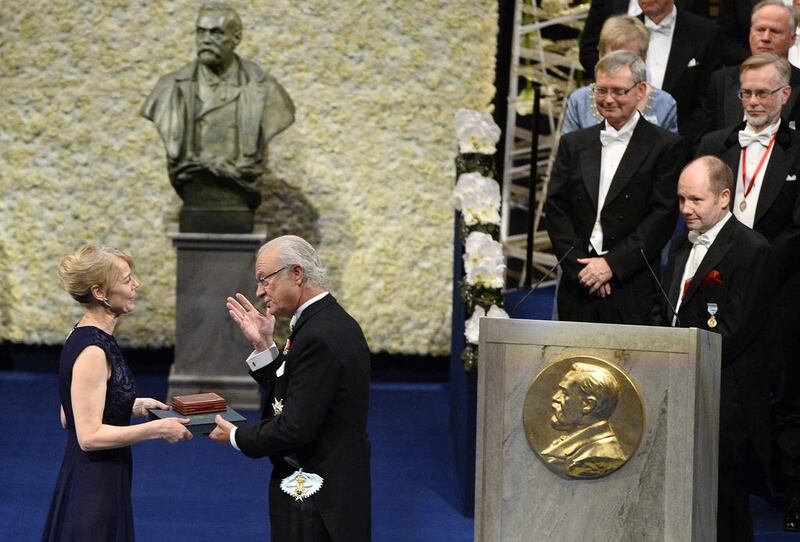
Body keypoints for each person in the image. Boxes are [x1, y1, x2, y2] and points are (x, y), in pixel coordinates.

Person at [209, 235, 371, 542]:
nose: (259, 292)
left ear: (296, 274)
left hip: (317, 498)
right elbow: (297, 394)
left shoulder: (319, 334)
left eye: (264, 280)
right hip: (322, 487)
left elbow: (295, 427)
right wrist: (263, 346)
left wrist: (234, 435)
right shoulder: (322, 321)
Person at [658, 156, 777, 541]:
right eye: (681, 200)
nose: (685, 210)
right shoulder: (679, 246)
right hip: (678, 386)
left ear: (724, 198)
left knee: (725, 503)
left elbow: (737, 330)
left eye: (695, 200)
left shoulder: (752, 250)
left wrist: (683, 356)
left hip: (724, 396)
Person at [42, 245, 192, 542]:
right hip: (94, 484)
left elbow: (68, 414)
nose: (135, 285)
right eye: (126, 280)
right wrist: (158, 427)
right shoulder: (94, 351)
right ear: (100, 292)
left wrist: (132, 405)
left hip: (100, 474)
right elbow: (88, 436)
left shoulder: (84, 335)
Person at [545, 50, 685, 325]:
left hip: (631, 282)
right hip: (579, 281)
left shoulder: (666, 145)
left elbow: (662, 215)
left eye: (619, 91)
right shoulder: (574, 144)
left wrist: (611, 266)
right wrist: (581, 268)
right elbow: (556, 209)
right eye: (601, 90)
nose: (608, 100)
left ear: (641, 91)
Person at [141, 2, 295, 211]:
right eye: (200, 32)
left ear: (236, 38)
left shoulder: (265, 90)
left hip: (239, 200)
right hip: (194, 195)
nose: (206, 40)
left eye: (216, 33)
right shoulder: (169, 88)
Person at [562, 15, 679, 134]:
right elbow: (567, 151)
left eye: (628, 58)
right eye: (614, 57)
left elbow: (670, 152)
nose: (620, 65)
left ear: (644, 58)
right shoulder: (580, 101)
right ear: (600, 55)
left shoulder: (664, 103)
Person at [636, 0, 722, 146]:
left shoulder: (706, 33)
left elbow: (708, 100)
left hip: (684, 145)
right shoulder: (621, 29)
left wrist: (679, 142)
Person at [705, 0, 800, 132]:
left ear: (792, 39)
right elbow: (702, 140)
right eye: (760, 30)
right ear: (750, 33)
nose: (766, 38)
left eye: (775, 31)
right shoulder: (720, 81)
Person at [540, 363, 627, 479]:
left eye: (564, 393)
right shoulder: (575, 442)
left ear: (588, 404)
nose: (555, 397)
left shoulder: (601, 456)